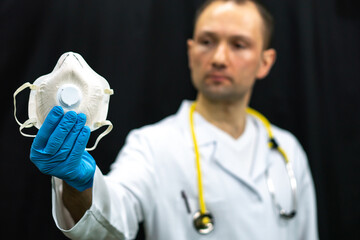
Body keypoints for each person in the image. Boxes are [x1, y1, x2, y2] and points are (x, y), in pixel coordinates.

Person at [29, 0, 318, 239]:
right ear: (191, 52)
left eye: (238, 45)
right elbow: (110, 221)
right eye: (207, 41)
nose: (218, 57)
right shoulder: (153, 145)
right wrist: (77, 182)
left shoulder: (287, 150)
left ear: (265, 62)